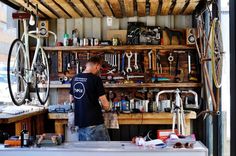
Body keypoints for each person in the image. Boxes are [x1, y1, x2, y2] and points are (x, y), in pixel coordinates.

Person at [69, 56, 110, 141]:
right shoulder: (96, 79)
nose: (98, 70)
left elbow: (71, 99)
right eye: (99, 68)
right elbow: (105, 103)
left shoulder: (75, 78)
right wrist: (107, 108)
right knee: (105, 151)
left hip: (80, 123)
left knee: (85, 152)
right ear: (97, 66)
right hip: (94, 123)